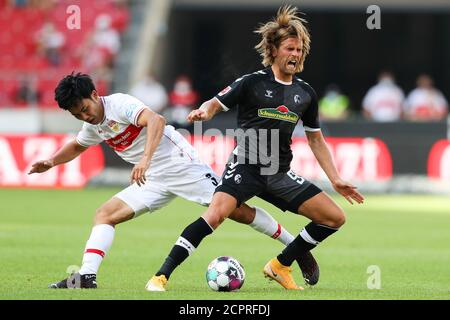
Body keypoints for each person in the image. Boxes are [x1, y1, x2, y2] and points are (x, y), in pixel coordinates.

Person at [146, 5, 364, 292]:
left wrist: (336, 179)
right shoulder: (252, 83)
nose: (296, 55)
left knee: (334, 217)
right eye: (290, 48)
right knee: (214, 215)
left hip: (278, 173)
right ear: (274, 50)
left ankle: (280, 265)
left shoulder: (305, 93)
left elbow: (316, 139)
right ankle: (160, 277)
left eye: (299, 50)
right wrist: (204, 112)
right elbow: (215, 103)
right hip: (245, 168)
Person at [28, 72, 316, 289]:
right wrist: (52, 161)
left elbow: (156, 120)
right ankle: (87, 276)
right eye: (77, 114)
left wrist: (144, 160)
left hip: (181, 166)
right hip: (152, 179)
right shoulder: (93, 125)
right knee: (104, 215)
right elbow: (78, 145)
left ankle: (295, 248)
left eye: (84, 109)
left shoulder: (119, 104)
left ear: (93, 94)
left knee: (235, 211)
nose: (84, 116)